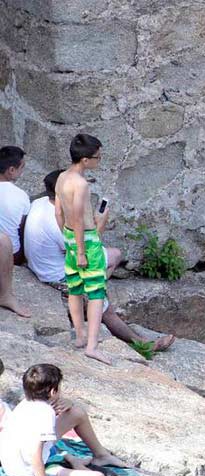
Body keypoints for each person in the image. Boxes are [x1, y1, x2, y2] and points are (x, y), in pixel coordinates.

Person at [26, 170, 175, 353]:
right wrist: (101, 225)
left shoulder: (40, 203)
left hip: (42, 262)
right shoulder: (58, 222)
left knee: (115, 255)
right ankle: (142, 343)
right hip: (56, 274)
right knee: (105, 306)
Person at [0, 363, 130, 476]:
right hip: (26, 472)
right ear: (53, 391)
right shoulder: (44, 413)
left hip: (12, 458)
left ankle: (101, 456)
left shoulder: (27, 402)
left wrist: (67, 402)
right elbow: (35, 456)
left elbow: (67, 409)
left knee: (77, 413)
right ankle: (73, 462)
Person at [57, 134, 112, 365]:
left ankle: (80, 335)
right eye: (98, 158)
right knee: (96, 291)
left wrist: (68, 241)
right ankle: (92, 345)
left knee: (75, 288)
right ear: (86, 160)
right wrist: (82, 249)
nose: (99, 161)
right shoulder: (81, 184)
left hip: (69, 236)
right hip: (85, 240)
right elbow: (79, 218)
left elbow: (59, 213)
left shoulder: (61, 178)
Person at [0, 146, 30, 318]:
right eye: (21, 168)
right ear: (11, 170)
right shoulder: (20, 195)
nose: (21, 172)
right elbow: (22, 230)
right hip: (12, 254)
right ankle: (6, 295)